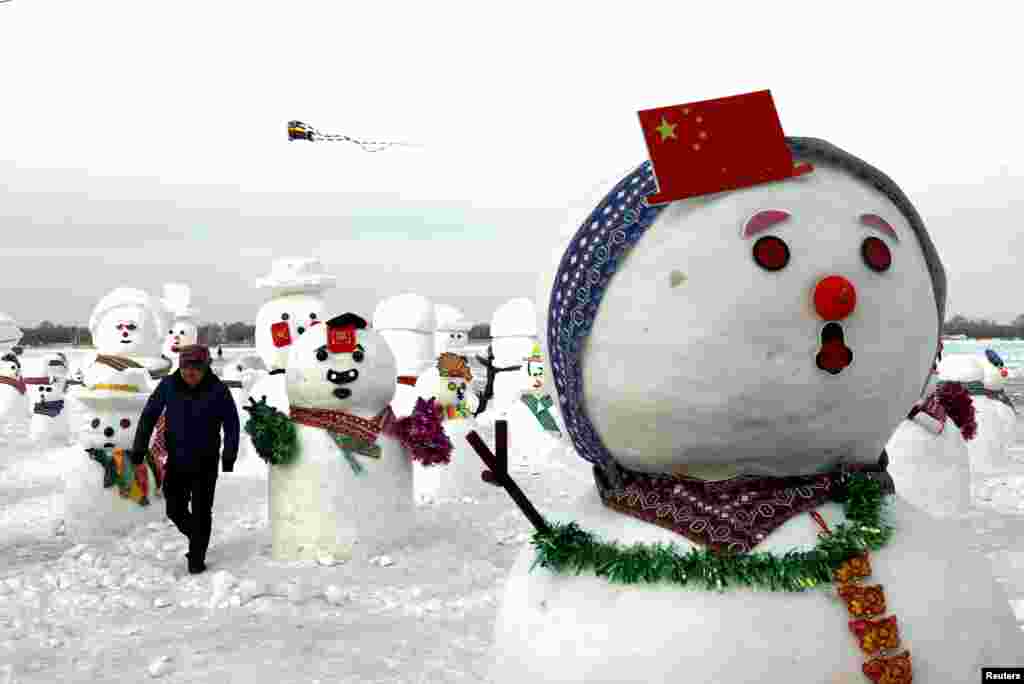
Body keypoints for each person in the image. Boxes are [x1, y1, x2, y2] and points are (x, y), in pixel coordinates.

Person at [132, 344, 239, 574]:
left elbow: (232, 424)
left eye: (196, 368)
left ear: (205, 368)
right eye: (185, 367)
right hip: (177, 460)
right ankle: (198, 536)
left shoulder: (218, 390)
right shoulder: (168, 385)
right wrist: (139, 447)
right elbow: (149, 415)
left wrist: (229, 455)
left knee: (202, 511)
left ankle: (196, 557)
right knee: (174, 509)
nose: (190, 372)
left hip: (206, 462)